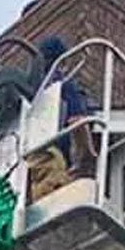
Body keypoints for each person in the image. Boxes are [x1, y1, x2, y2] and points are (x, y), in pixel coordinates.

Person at [28, 36, 98, 202]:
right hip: (52, 163)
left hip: (30, 172)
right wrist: (87, 158)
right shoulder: (64, 86)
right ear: (60, 61)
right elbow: (77, 121)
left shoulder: (28, 93)